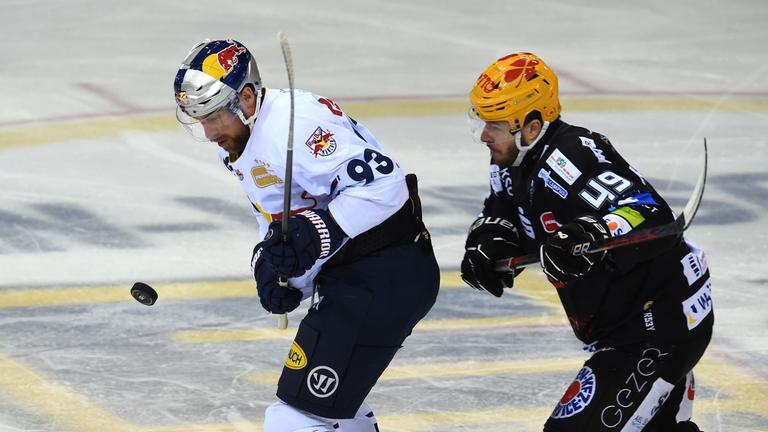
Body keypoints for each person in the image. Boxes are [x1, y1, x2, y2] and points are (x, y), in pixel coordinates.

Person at [173, 39, 439, 432]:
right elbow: (273, 217)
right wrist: (273, 269)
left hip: (386, 274)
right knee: (338, 414)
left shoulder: (298, 126)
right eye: (200, 119)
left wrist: (319, 231)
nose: (209, 132)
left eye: (213, 116)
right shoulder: (236, 141)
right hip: (357, 278)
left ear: (246, 99)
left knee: (292, 419)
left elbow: (387, 186)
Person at [460, 52, 712, 432]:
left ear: (531, 127)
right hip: (625, 326)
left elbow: (648, 212)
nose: (483, 135)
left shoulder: (570, 156)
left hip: (658, 324)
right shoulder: (511, 160)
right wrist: (489, 238)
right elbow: (502, 207)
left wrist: (589, 232)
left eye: (494, 124)